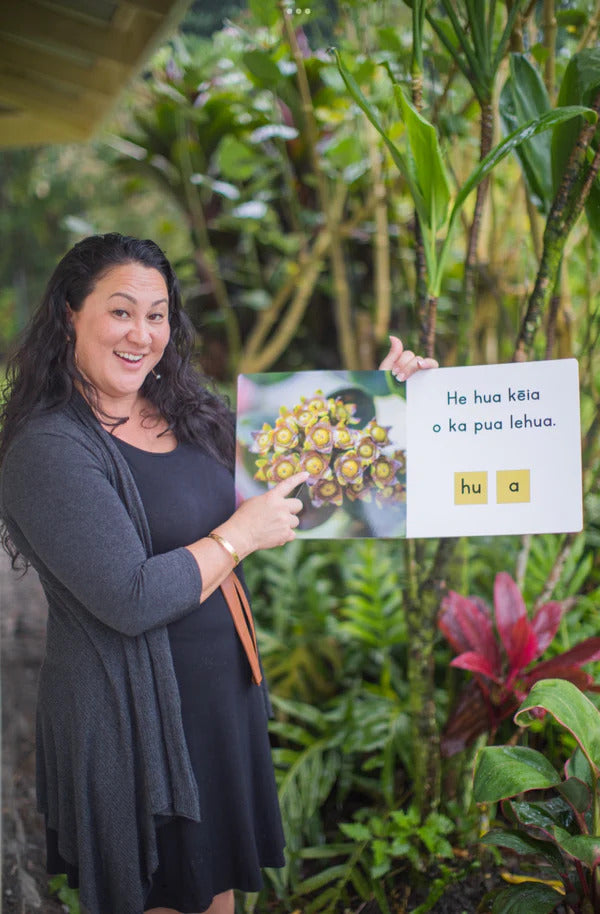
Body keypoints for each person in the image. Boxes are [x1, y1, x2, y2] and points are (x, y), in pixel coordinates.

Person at [0, 233, 437, 914]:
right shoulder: (47, 448)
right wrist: (237, 538)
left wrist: (387, 394)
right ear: (69, 315)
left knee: (218, 897)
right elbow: (131, 597)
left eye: (157, 313)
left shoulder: (184, 408)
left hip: (216, 706)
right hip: (133, 723)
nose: (141, 333)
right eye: (120, 311)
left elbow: (301, 475)